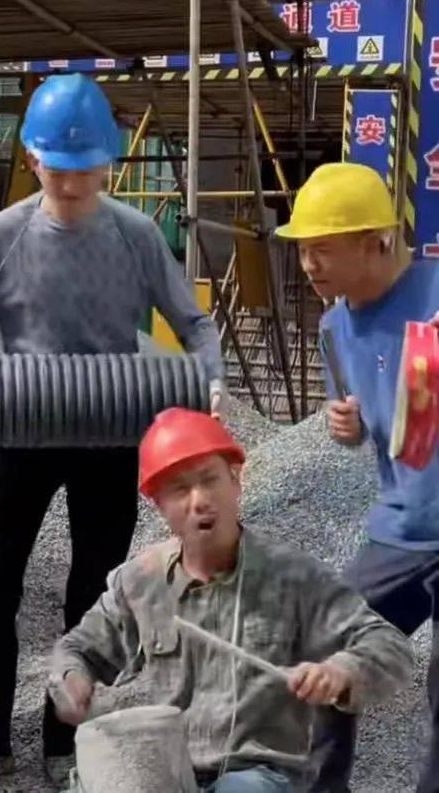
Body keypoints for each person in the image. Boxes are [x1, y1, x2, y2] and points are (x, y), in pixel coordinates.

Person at [0, 72, 224, 784]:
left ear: (108, 162)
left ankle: (64, 740)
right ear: (33, 159)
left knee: (91, 595)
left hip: (110, 436)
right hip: (24, 432)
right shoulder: (4, 234)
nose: (74, 181)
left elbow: (194, 322)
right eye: (59, 167)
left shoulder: (134, 235)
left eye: (87, 168)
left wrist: (209, 379)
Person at [50, 407, 413, 793]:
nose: (200, 500)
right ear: (159, 505)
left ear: (236, 481)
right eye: (180, 490)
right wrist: (72, 679)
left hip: (262, 774)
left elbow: (389, 645)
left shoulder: (293, 578)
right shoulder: (141, 581)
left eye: (210, 480)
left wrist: (342, 671)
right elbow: (78, 649)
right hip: (165, 765)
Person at [275, 162, 439, 793]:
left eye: (321, 249)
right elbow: (363, 426)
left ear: (377, 241)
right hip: (401, 530)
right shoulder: (333, 327)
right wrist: (344, 425)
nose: (308, 265)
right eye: (303, 250)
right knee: (324, 646)